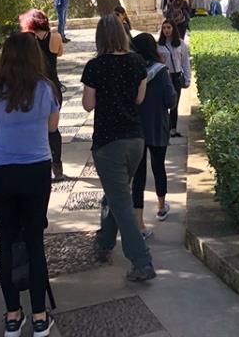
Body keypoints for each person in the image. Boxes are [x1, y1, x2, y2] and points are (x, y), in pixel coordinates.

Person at [0, 32, 60, 337]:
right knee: (34, 241)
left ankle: (13, 315)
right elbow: (52, 127)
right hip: (35, 169)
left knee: (7, 242)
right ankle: (40, 316)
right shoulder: (45, 88)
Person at [81, 15, 155, 282]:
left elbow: (88, 105)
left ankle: (142, 261)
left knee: (121, 202)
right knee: (115, 194)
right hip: (135, 139)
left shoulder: (95, 66)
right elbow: (139, 98)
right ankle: (104, 242)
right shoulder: (137, 62)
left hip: (108, 142)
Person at [129, 33, 177, 238]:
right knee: (159, 167)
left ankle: (139, 223)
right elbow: (170, 100)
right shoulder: (161, 71)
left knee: (138, 175)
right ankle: (161, 207)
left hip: (137, 129)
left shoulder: (131, 71)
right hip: (158, 126)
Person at [19, 9, 66, 180]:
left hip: (32, 87)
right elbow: (59, 53)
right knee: (53, 129)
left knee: (33, 127)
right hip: (53, 86)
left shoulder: (26, 39)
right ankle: (57, 166)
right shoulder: (55, 37)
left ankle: (37, 165)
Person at [157, 19, 191, 138]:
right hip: (164, 76)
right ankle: (164, 128)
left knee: (175, 103)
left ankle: (173, 129)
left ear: (173, 29)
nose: (166, 30)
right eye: (164, 28)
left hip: (176, 76)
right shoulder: (159, 45)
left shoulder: (181, 44)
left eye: (169, 27)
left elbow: (185, 62)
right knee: (164, 103)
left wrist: (187, 78)